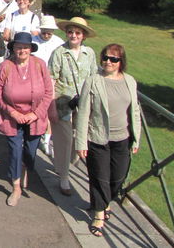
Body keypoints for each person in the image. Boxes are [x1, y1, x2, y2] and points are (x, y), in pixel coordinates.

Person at [75, 44, 141, 237]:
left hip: (123, 138)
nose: (108, 62)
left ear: (121, 62)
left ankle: (104, 202)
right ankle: (98, 214)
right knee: (100, 177)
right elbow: (83, 113)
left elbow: (135, 111)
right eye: (105, 58)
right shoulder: (93, 81)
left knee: (117, 177)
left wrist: (136, 139)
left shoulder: (130, 81)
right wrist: (81, 142)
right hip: (98, 138)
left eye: (113, 59)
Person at [0, 32, 53, 206]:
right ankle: (16, 186)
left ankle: (25, 167)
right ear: (13, 48)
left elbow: (48, 93)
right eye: (18, 47)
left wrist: (36, 114)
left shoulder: (40, 65)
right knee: (15, 152)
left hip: (35, 117)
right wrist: (12, 112)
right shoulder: (6, 66)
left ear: (30, 49)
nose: (22, 50)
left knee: (30, 152)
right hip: (12, 116)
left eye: (25, 47)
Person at [48, 16, 97, 196]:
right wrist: (51, 106)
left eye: (77, 32)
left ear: (83, 35)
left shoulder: (89, 53)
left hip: (83, 103)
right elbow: (51, 79)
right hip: (62, 102)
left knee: (80, 139)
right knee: (65, 140)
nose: (73, 35)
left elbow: (93, 79)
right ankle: (64, 177)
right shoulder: (59, 52)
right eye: (70, 32)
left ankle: (64, 165)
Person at [31, 15, 64, 156]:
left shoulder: (59, 44)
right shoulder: (33, 41)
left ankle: (46, 138)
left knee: (49, 108)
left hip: (51, 80)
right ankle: (34, 132)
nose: (46, 35)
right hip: (34, 80)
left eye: (49, 32)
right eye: (44, 32)